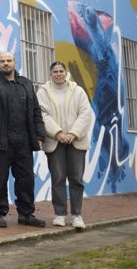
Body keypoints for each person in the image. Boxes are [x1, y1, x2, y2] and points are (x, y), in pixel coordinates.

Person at [0, 51, 46, 228]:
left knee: (26, 180)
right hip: (1, 142)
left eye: (9, 60)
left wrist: (40, 135)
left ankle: (26, 214)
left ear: (15, 62)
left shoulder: (26, 84)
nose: (6, 64)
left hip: (24, 141)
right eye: (2, 61)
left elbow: (36, 111)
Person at [37, 61, 94, 229]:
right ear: (50, 74)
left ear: (66, 72)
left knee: (76, 179)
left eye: (61, 71)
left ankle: (77, 215)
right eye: (55, 71)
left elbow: (85, 114)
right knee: (58, 179)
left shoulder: (78, 91)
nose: (58, 74)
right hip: (55, 142)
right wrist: (58, 133)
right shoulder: (43, 92)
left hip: (76, 141)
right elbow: (42, 114)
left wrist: (72, 133)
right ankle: (60, 214)